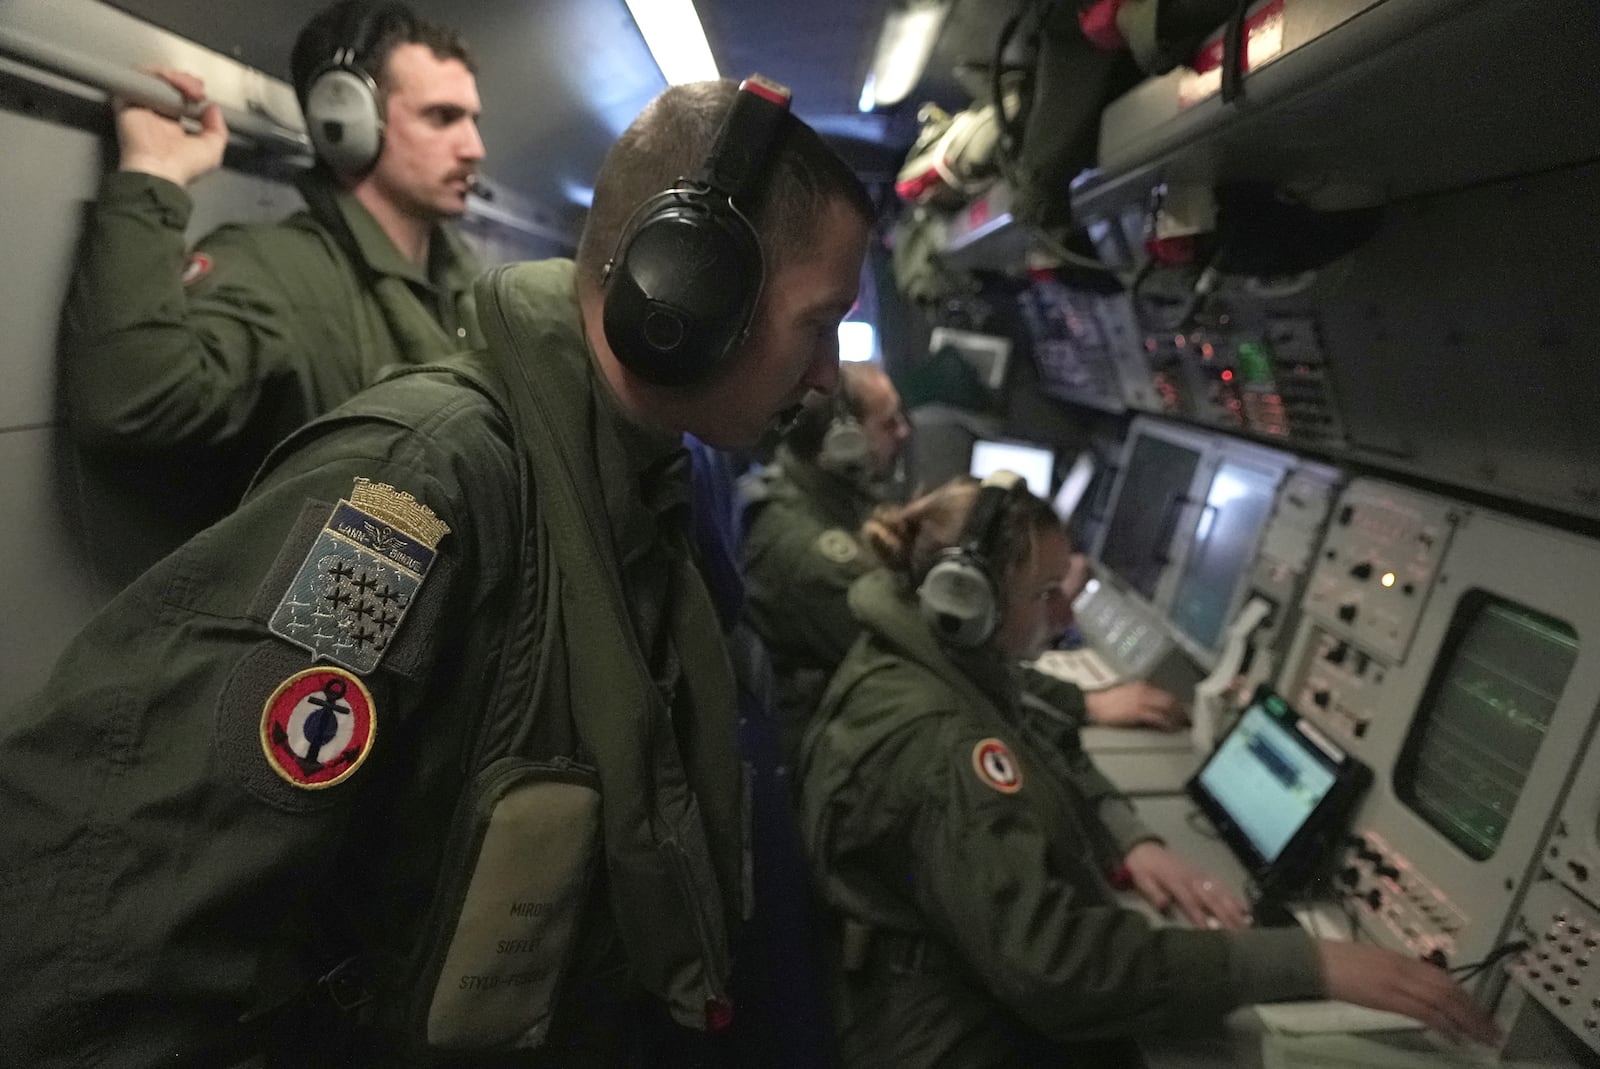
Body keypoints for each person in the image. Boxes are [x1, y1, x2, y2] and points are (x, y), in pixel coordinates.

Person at [0, 76, 873, 1067]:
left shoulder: (634, 490)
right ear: (693, 289)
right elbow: (115, 901)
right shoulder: (419, 488)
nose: (827, 374)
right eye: (820, 321)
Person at [795, 475, 1500, 1066]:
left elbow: (1038, 730)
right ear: (966, 600)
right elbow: (1059, 967)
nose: (1067, 614)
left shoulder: (933, 660)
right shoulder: (940, 742)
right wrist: (1306, 963)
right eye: (1047, 592)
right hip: (949, 1037)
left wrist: (1128, 837)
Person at [60, 0, 488, 535]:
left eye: (473, 120)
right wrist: (153, 175)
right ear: (345, 118)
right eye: (442, 117)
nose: (474, 147)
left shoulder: (468, 284)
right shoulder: (281, 273)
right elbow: (131, 399)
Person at [742, 376, 1181, 765]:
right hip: (823, 747)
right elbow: (944, 652)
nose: (905, 431)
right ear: (844, 441)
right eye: (889, 422)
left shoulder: (824, 499)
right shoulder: (806, 551)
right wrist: (1086, 703)